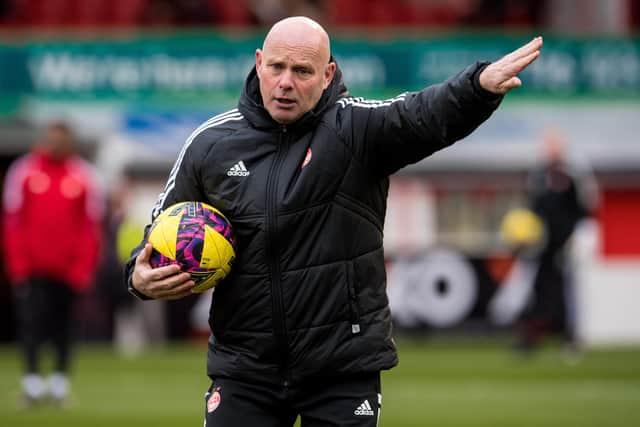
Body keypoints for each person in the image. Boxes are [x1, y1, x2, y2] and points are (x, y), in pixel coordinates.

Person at [125, 16, 542, 426]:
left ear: (327, 74)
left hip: (342, 366)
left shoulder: (355, 128)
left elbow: (421, 115)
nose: (286, 82)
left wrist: (477, 88)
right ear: (258, 63)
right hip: (245, 369)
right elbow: (158, 233)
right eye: (277, 67)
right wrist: (138, 277)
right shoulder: (209, 143)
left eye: (302, 71)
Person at [3, 121, 103, 406]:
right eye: (52, 139)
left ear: (69, 142)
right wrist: (18, 265)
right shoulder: (23, 171)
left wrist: (83, 268)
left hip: (68, 271)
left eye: (62, 140)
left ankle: (59, 385)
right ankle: (32, 385)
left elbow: (90, 227)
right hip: (33, 269)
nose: (56, 144)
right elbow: (13, 222)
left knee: (65, 326)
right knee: (31, 324)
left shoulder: (84, 176)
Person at [516, 130, 598, 355]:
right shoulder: (538, 174)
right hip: (542, 243)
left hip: (567, 242)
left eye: (553, 145)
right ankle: (532, 337)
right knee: (537, 288)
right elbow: (532, 209)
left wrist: (579, 236)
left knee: (569, 290)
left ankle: (571, 338)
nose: (549, 150)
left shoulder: (574, 172)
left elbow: (586, 206)